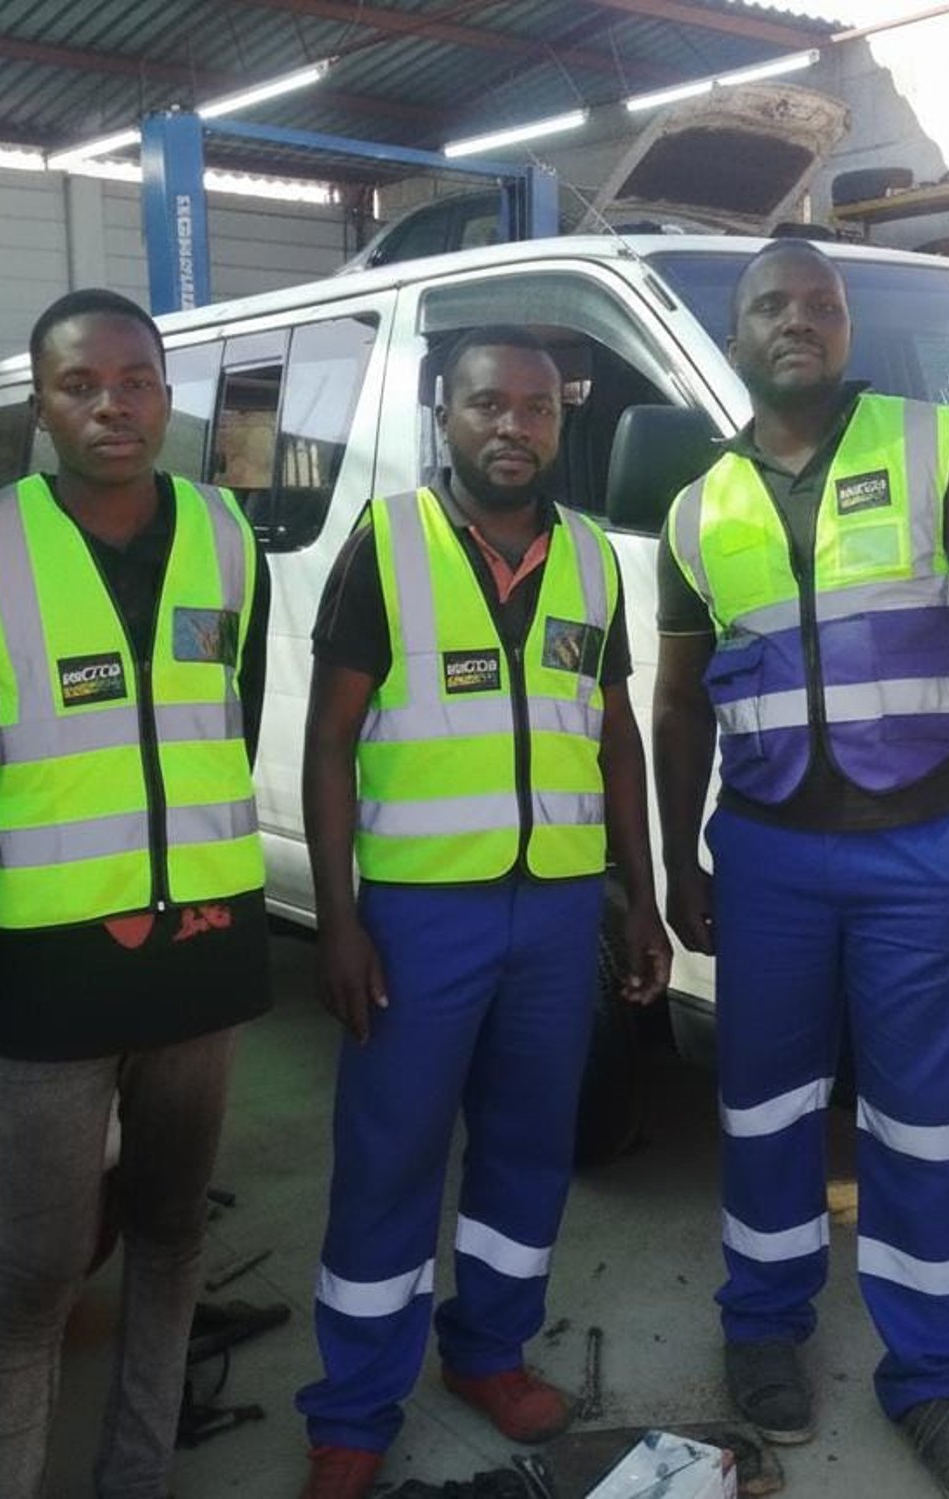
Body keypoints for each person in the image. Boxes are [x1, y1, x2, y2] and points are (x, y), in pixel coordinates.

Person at [653, 239, 949, 1499]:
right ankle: (762, 1321)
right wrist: (676, 857)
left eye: (822, 303)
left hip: (921, 846)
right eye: (774, 304)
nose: (799, 321)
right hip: (764, 856)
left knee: (930, 1127)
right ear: (738, 331)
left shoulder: (936, 448)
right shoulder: (695, 508)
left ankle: (932, 1375)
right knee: (763, 1108)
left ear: (846, 324)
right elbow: (677, 705)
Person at [293, 325, 671, 1498]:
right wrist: (342, 918)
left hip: (556, 916)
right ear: (443, 418)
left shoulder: (596, 559)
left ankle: (490, 1350)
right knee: (389, 1156)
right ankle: (354, 1406)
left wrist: (639, 896)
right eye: (486, 405)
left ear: (562, 419)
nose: (513, 425)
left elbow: (615, 738)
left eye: (537, 407)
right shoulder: (388, 545)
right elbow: (331, 738)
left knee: (526, 1143)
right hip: (420, 917)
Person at [0, 288, 271, 1499]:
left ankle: (139, 1474)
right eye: (81, 384)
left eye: (135, 381)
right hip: (46, 984)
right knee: (34, 1271)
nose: (112, 406)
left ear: (167, 397)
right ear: (43, 405)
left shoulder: (230, 541)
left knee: (173, 1235)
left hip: (201, 964)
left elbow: (236, 723)